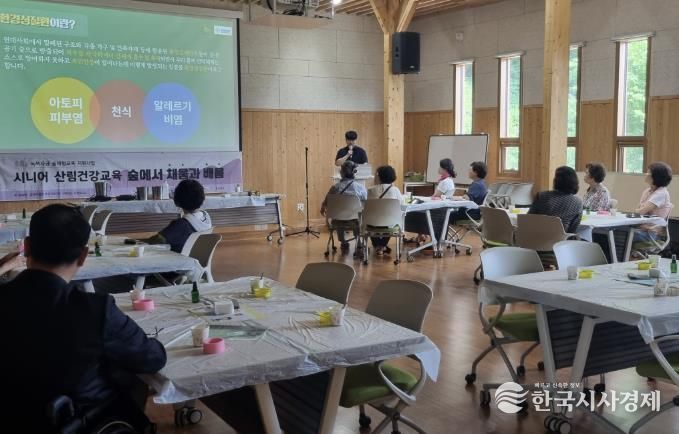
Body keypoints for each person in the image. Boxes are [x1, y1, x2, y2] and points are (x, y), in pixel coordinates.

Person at [2, 204, 166, 432]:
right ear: (83, 256)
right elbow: (152, 359)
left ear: (27, 247)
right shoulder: (96, 310)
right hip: (82, 423)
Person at [147, 179, 212, 253]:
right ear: (202, 198)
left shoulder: (180, 225)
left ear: (177, 200)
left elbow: (155, 242)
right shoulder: (206, 217)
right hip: (197, 259)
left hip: (178, 259)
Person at [405, 159, 457, 244]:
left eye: (440, 167)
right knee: (419, 209)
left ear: (445, 169)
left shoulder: (445, 182)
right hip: (442, 209)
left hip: (438, 211)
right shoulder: (449, 180)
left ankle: (422, 235)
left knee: (412, 213)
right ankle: (421, 236)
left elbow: (435, 196)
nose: (438, 168)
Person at [321, 160, 368, 253]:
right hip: (354, 221)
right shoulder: (360, 188)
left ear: (341, 173)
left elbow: (325, 203)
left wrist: (323, 208)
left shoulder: (335, 188)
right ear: (355, 172)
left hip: (337, 221)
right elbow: (367, 203)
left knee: (340, 215)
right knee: (357, 216)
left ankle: (343, 241)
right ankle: (359, 242)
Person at [529, 166, 583, 234]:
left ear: (556, 180)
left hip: (537, 237)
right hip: (562, 239)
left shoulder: (541, 196)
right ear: (574, 181)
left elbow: (529, 219)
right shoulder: (578, 203)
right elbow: (573, 230)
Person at [633, 162, 673, 248]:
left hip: (651, 234)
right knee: (616, 231)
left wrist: (640, 210)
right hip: (642, 229)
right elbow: (639, 211)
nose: (646, 174)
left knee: (619, 233)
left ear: (656, 177)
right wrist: (639, 211)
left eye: (648, 172)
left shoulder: (661, 193)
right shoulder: (647, 191)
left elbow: (640, 211)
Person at [367, 165, 403, 256]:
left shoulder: (370, 190)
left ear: (379, 176)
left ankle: (379, 246)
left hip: (372, 222)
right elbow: (401, 204)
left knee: (372, 223)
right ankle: (382, 246)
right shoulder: (395, 190)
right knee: (389, 221)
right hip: (390, 223)